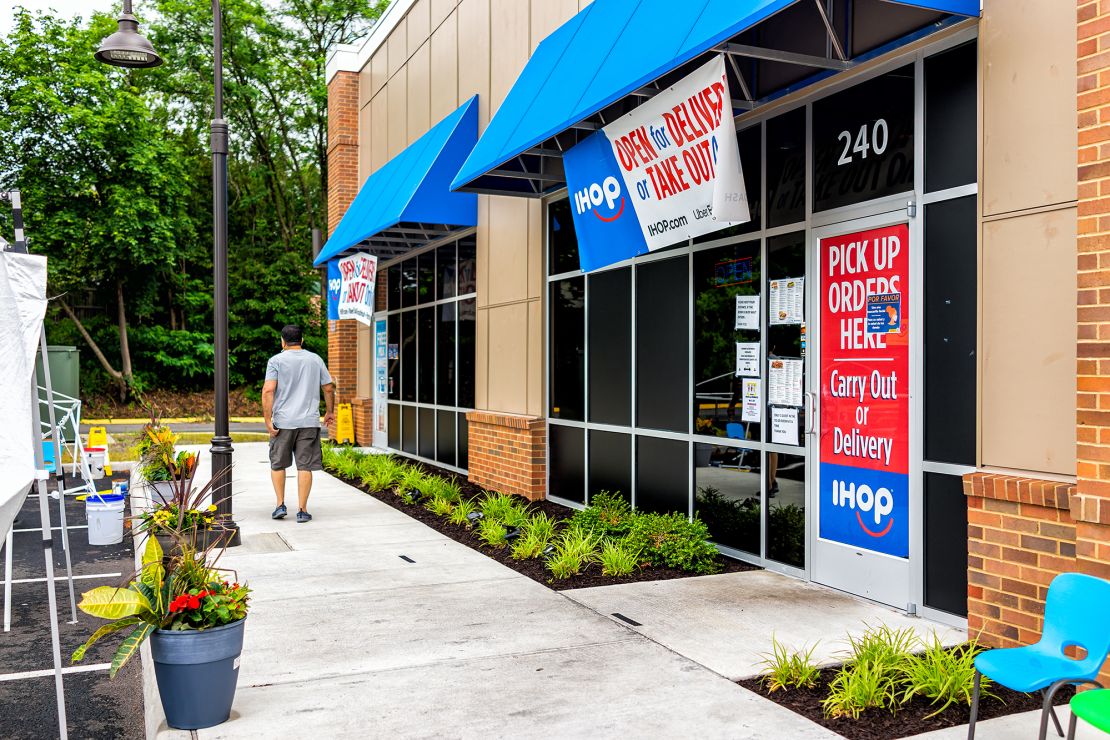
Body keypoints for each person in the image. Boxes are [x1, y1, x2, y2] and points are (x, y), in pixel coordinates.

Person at [262, 325, 335, 523]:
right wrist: (329, 411)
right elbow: (328, 388)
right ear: (301, 340)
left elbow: (268, 390)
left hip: (282, 422)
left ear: (282, 341)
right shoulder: (315, 359)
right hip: (309, 422)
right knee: (305, 466)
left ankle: (280, 505)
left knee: (278, 464)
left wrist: (268, 420)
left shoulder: (275, 361)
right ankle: (302, 510)